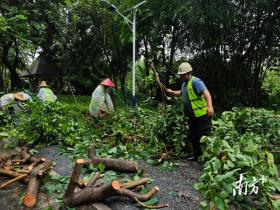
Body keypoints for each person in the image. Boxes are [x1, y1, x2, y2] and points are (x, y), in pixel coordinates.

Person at [166, 62, 214, 161]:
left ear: (189, 72)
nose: (181, 76)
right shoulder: (184, 84)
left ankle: (209, 158)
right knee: (194, 137)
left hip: (202, 115)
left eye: (183, 74)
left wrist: (210, 106)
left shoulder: (196, 81)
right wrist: (172, 92)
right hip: (192, 116)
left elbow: (206, 93)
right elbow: (181, 93)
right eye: (180, 75)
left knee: (205, 137)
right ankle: (197, 156)